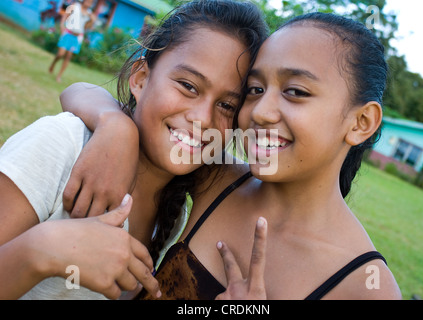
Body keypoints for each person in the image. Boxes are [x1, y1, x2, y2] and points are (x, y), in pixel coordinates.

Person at [61, 12, 402, 300]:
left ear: (361, 122)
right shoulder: (218, 178)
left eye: (295, 92)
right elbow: (77, 91)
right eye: (255, 90)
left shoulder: (366, 284)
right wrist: (115, 125)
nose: (261, 112)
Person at [0, 0, 267, 299]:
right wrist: (42, 251)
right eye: (188, 86)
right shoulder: (63, 145)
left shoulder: (174, 209)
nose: (203, 118)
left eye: (227, 105)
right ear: (140, 78)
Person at [48, 0, 96, 82]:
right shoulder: (76, 5)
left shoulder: (89, 13)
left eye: (90, 3)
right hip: (68, 34)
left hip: (77, 38)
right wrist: (62, 24)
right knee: (60, 54)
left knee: (68, 56)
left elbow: (86, 27)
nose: (88, 3)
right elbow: (66, 13)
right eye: (87, 1)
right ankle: (53, 63)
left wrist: (92, 21)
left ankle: (59, 76)